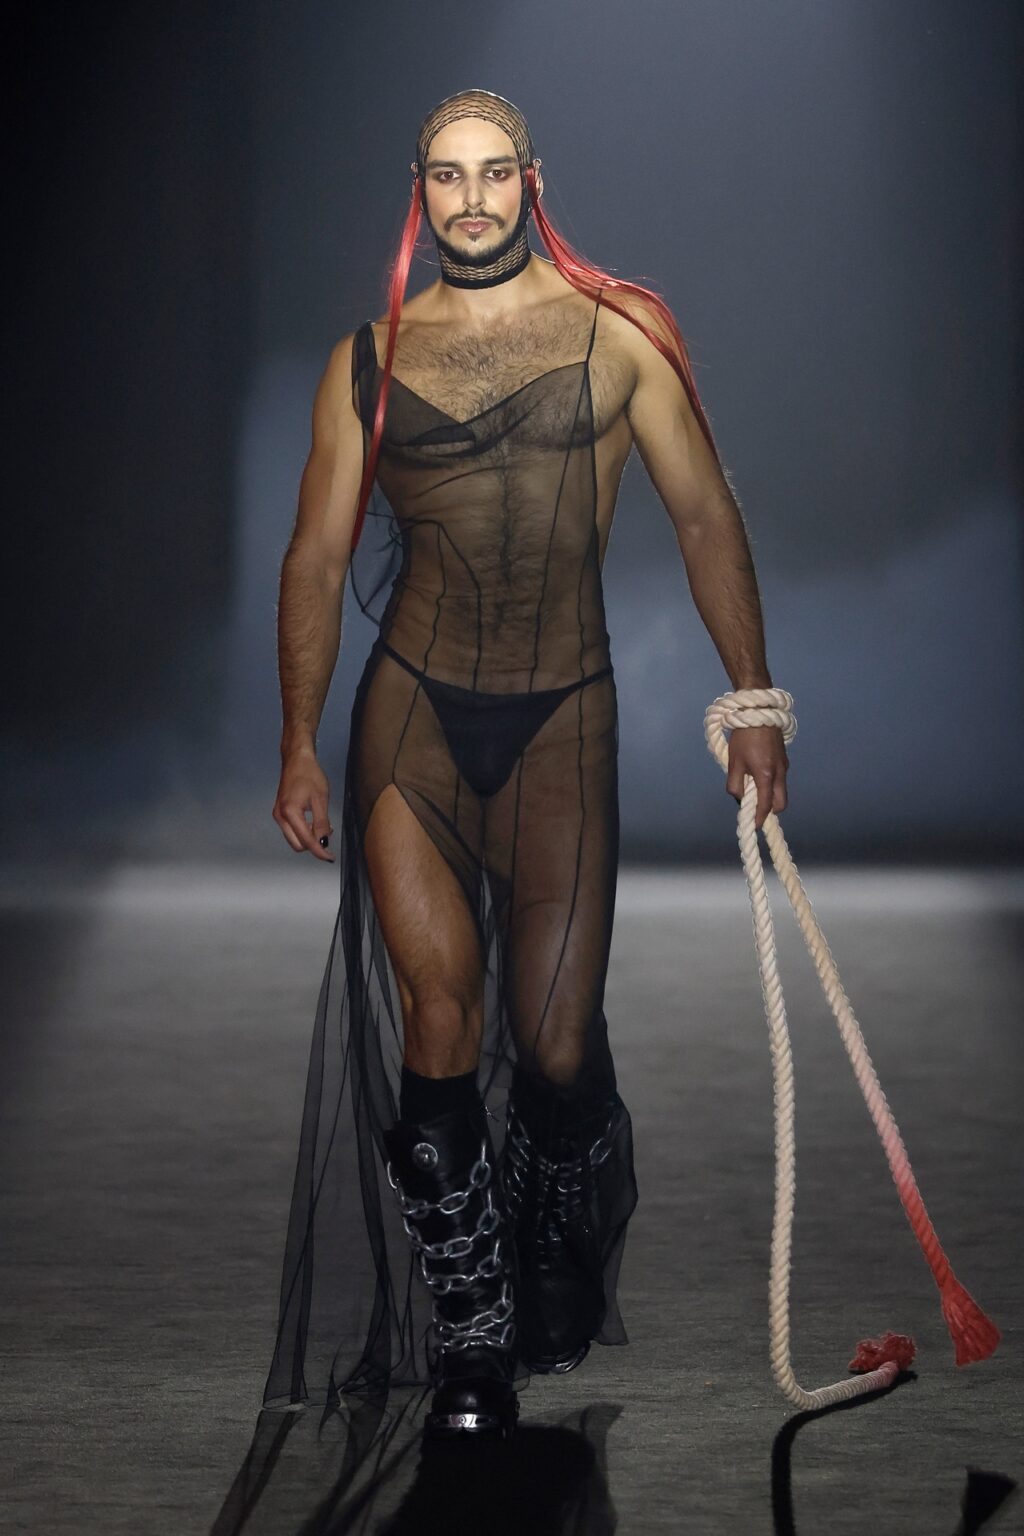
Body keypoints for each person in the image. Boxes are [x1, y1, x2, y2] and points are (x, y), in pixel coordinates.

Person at [266, 89, 788, 1440]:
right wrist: (299, 742)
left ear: (532, 181)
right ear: (420, 194)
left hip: (563, 720)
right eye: (447, 177)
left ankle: (562, 1198)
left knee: (555, 1049)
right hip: (413, 723)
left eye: (494, 173)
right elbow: (316, 557)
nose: (473, 198)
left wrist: (753, 696)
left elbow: (703, 513)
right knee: (439, 1015)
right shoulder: (370, 359)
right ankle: (471, 1334)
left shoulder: (621, 335)